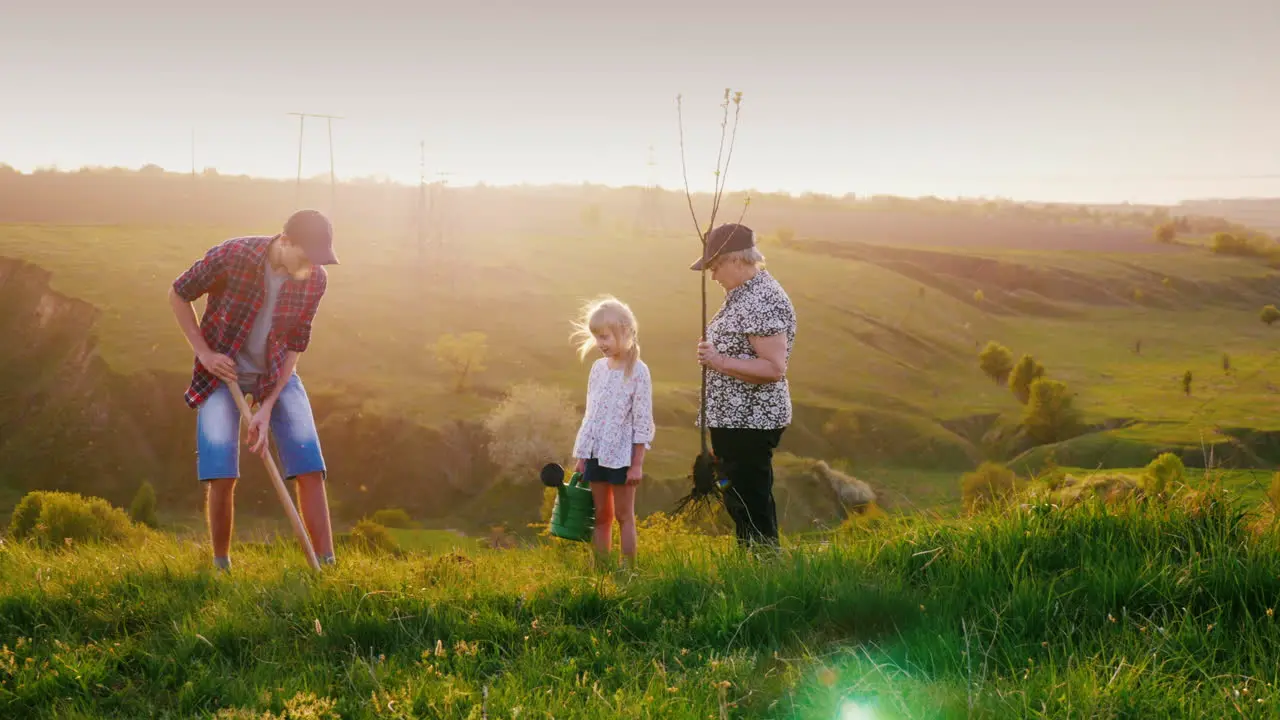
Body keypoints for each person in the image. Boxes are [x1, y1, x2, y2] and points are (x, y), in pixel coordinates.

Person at [166, 209, 340, 572]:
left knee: (309, 462)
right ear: (286, 240)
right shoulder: (234, 256)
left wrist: (268, 405)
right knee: (220, 470)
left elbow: (296, 344)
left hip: (275, 374)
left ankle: (326, 563)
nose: (310, 266)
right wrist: (204, 352)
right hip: (222, 372)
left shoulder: (314, 280)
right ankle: (221, 565)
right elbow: (179, 293)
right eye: (306, 256)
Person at [692, 223, 797, 549]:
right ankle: (754, 568)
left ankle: (767, 569)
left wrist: (719, 361)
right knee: (741, 503)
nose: (712, 275)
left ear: (736, 259)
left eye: (715, 266)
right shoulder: (743, 295)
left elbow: (773, 368)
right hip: (735, 422)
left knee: (751, 503)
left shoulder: (761, 300)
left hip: (750, 422)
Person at [570, 297, 656, 566]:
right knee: (601, 515)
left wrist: (637, 465)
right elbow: (591, 416)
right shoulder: (597, 369)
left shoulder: (638, 372)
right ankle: (602, 570)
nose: (601, 343)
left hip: (622, 458)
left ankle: (629, 569)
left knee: (623, 515)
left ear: (625, 332)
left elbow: (643, 421)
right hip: (596, 454)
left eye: (605, 336)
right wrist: (583, 456)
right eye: (597, 337)